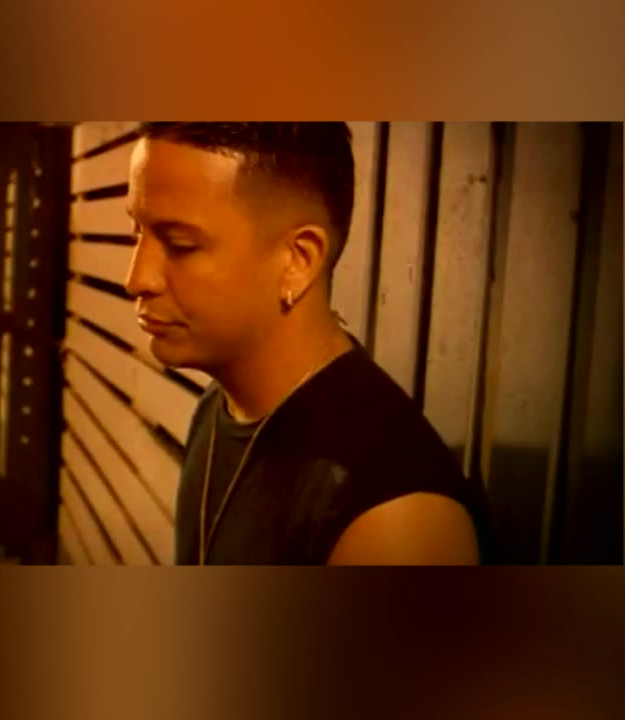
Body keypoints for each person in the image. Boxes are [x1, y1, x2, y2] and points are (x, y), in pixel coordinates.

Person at [123, 122, 492, 565]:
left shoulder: (394, 520)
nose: (136, 279)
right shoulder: (222, 405)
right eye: (136, 232)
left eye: (180, 245)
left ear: (298, 260)